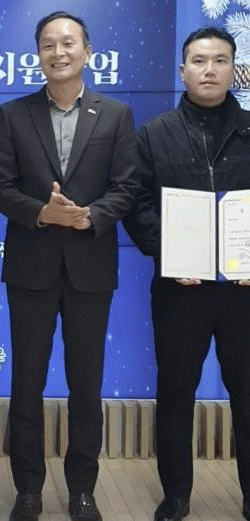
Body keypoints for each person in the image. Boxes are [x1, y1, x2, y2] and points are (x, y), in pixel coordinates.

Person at [0, 11, 138, 521]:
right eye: (48, 44)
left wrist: (89, 216)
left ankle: (82, 490)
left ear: (87, 52)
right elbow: (0, 187)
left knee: (86, 387)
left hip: (90, 268)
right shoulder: (14, 114)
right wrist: (42, 213)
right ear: (38, 55)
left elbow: (127, 187)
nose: (59, 52)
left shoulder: (115, 115)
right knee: (26, 385)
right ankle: (28, 490)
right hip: (31, 267)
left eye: (68, 43)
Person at [123, 26, 250, 521]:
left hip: (243, 290)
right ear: (183, 70)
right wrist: (169, 252)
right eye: (199, 61)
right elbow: (137, 203)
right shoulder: (155, 133)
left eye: (220, 60)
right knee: (176, 393)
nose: (209, 70)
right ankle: (176, 494)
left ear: (234, 69)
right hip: (180, 288)